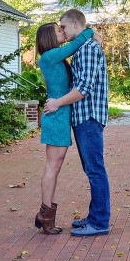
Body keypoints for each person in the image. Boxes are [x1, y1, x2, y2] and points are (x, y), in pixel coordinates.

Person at [43, 9, 110, 237]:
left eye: (63, 27)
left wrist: (57, 103)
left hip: (89, 117)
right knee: (91, 169)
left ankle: (100, 222)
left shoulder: (89, 49)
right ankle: (94, 217)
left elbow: (83, 89)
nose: (61, 31)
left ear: (74, 23)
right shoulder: (82, 48)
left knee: (95, 170)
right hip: (83, 117)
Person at [34, 22, 94, 234]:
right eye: (58, 31)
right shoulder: (49, 56)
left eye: (63, 29)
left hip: (60, 115)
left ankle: (45, 214)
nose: (62, 32)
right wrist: (89, 30)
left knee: (55, 166)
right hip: (56, 117)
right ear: (48, 37)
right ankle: (45, 215)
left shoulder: (55, 58)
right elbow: (76, 43)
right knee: (53, 166)